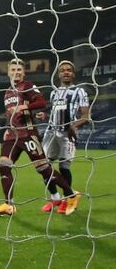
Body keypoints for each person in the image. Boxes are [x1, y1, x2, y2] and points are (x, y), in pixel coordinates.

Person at [0, 59, 82, 216]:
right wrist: (7, 128)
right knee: (3, 166)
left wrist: (25, 106)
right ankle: (8, 205)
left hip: (27, 134)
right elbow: (10, 113)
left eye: (19, 70)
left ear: (24, 73)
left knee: (44, 169)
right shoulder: (8, 92)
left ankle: (71, 194)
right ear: (8, 72)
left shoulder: (28, 86)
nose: (16, 72)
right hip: (12, 135)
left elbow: (41, 103)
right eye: (13, 70)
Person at [37, 60, 91, 213]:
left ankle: (67, 200)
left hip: (68, 134)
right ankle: (55, 197)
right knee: (43, 166)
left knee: (63, 166)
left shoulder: (80, 91)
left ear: (73, 74)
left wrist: (73, 126)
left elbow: (86, 116)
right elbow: (57, 115)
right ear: (59, 74)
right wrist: (46, 116)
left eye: (69, 70)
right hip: (51, 133)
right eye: (63, 70)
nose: (66, 72)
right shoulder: (54, 92)